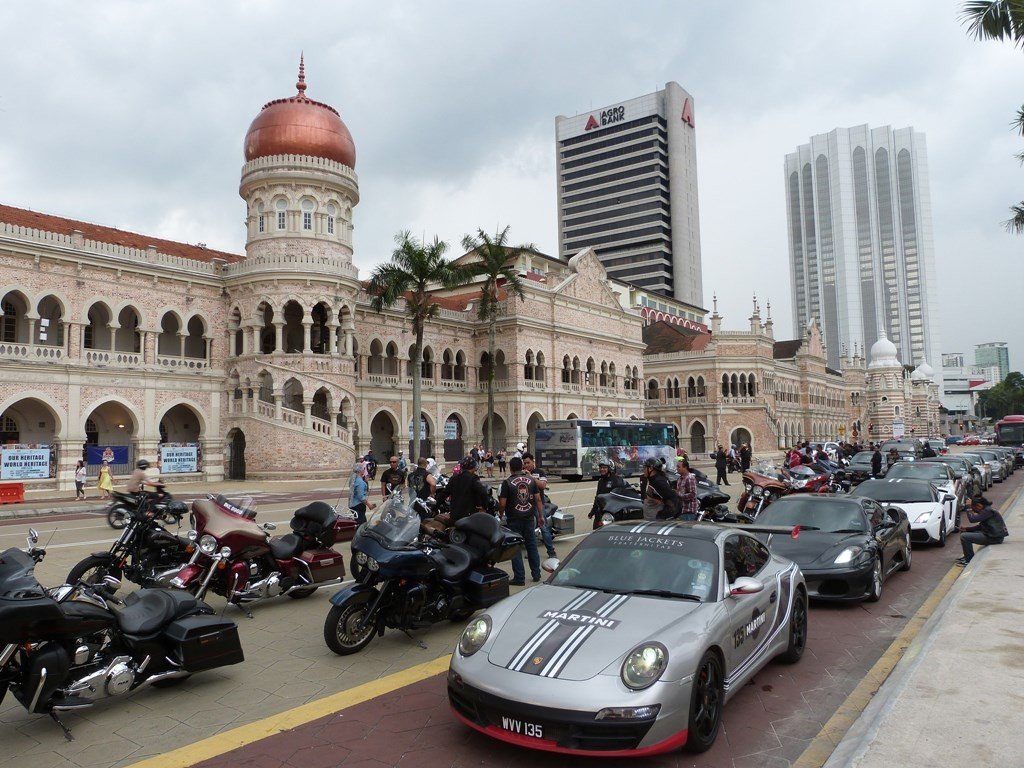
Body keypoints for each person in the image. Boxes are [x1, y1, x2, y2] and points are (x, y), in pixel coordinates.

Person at [499, 457, 543, 585]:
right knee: (531, 545)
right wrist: (540, 516)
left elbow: (502, 503)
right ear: (522, 467)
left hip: (514, 519)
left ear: (510, 468)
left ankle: (519, 577)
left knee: (515, 548)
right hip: (529, 518)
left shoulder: (507, 483)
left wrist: (500, 514)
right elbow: (538, 499)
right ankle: (536, 573)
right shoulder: (531, 480)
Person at [957, 495, 1008, 566]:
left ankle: (969, 560)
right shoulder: (986, 510)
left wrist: (968, 508)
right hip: (990, 534)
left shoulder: (988, 511)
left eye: (973, 509)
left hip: (994, 538)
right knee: (965, 533)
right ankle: (967, 555)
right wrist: (967, 529)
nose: (974, 511)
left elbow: (972, 519)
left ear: (978, 506)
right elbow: (981, 526)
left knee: (964, 536)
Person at [522, 452, 556, 557]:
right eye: (524, 463)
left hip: (538, 505)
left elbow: (542, 485)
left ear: (533, 461)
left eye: (528, 462)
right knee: (529, 530)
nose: (526, 465)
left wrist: (530, 477)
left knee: (544, 528)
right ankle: (530, 551)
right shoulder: (521, 474)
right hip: (526, 505)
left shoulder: (539, 472)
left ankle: (551, 551)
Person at [446, 457, 489, 521]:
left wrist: (435, 508)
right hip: (468, 515)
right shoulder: (473, 478)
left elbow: (444, 493)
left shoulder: (453, 478)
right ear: (473, 467)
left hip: (454, 514)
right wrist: (485, 507)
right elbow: (483, 492)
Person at [588, 459, 623, 530]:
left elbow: (620, 497)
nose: (602, 469)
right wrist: (592, 512)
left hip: (612, 512)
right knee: (596, 532)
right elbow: (597, 498)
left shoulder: (616, 480)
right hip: (600, 512)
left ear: (609, 468)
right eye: (601, 468)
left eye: (604, 468)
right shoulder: (601, 481)